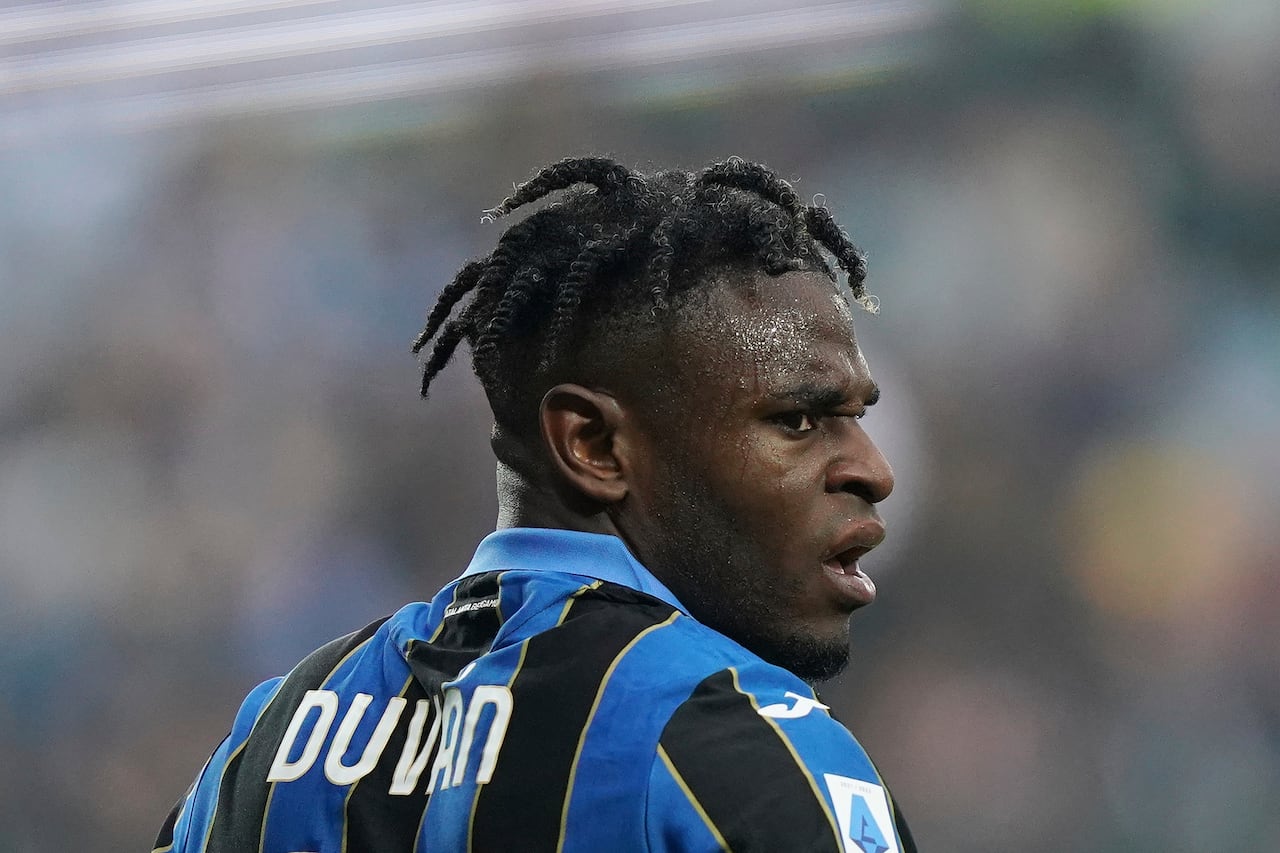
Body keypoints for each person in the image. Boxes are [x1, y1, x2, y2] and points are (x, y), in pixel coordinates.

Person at [154, 156, 916, 853]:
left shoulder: (274, 733)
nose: (873, 469)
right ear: (591, 443)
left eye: (859, 418)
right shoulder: (727, 737)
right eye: (798, 421)